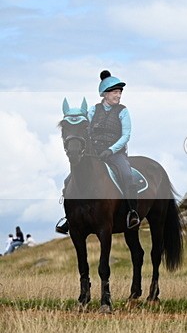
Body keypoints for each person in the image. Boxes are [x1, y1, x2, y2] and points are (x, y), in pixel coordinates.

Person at [55, 70, 140, 234]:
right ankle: (69, 218)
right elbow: (84, 126)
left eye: (119, 92)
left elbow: (126, 135)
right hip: (93, 153)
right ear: (105, 94)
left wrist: (111, 150)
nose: (118, 95)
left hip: (115, 154)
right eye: (115, 92)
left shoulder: (123, 111)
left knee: (127, 175)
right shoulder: (93, 110)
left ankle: (132, 213)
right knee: (68, 181)